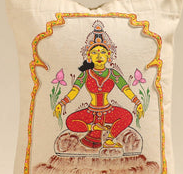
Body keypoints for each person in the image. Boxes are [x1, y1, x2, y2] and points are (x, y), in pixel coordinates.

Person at [53, 20, 144, 149]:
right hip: (91, 112)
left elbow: (126, 90)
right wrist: (61, 104)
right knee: (70, 121)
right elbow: (74, 91)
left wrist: (137, 103)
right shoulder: (86, 74)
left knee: (127, 117)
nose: (99, 56)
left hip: (109, 110)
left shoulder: (113, 73)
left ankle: (109, 139)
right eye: (95, 53)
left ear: (108, 55)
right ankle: (93, 128)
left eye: (102, 52)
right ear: (89, 56)